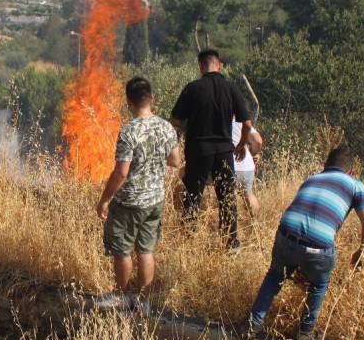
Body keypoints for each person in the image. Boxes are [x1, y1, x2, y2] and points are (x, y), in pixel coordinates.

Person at [242, 145, 364, 340]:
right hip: (318, 247)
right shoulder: (356, 185)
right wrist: (362, 252)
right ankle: (304, 331)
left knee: (275, 276)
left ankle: (252, 324)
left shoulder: (312, 178)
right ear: (351, 171)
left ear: (325, 165)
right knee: (319, 284)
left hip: (285, 235)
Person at [95, 77, 182, 314]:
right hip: (155, 200)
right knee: (146, 250)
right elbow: (175, 161)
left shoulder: (128, 131)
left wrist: (104, 200)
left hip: (128, 201)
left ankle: (121, 297)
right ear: (151, 98)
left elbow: (122, 172)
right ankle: (143, 302)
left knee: (122, 249)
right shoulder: (166, 128)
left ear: (128, 102)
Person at [170, 49, 252, 252]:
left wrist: (175, 145)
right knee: (227, 198)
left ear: (200, 67)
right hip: (225, 152)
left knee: (192, 198)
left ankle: (188, 242)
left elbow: (174, 121)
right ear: (220, 65)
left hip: (198, 151)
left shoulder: (193, 88)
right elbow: (248, 124)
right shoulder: (231, 88)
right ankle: (231, 245)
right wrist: (241, 144)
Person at [232, 118, 263, 217]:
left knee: (185, 175)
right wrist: (253, 154)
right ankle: (256, 226)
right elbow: (257, 141)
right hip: (247, 167)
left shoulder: (215, 117)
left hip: (226, 165)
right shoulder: (240, 122)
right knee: (248, 195)